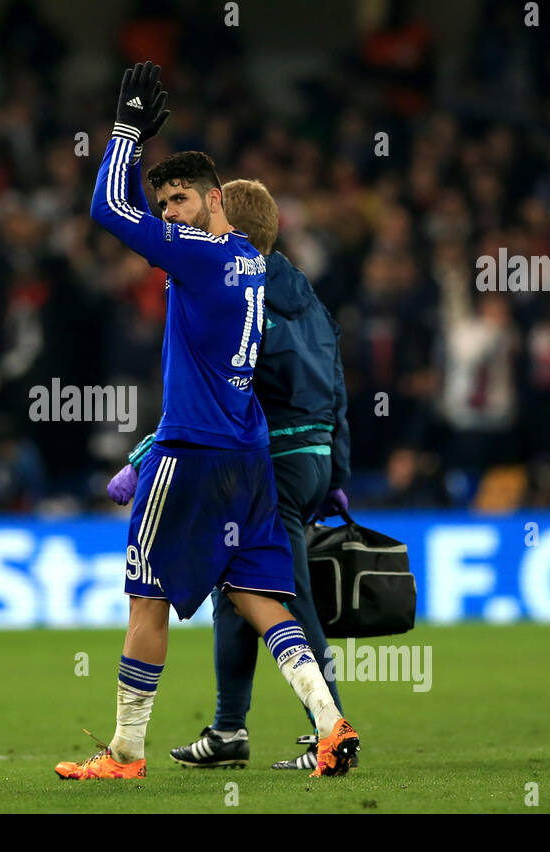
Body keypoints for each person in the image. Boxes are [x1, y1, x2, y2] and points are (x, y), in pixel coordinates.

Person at [54, 63, 358, 781]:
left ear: (216, 198)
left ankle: (127, 751)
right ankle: (328, 721)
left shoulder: (197, 256)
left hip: (191, 456)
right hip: (247, 456)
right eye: (163, 203)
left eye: (181, 199)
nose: (169, 214)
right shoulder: (250, 262)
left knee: (146, 595)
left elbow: (105, 210)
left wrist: (125, 132)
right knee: (258, 595)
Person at [111, 179, 354, 771]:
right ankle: (229, 730)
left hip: (262, 457)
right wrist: (336, 468)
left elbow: (230, 392)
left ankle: (327, 726)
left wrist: (144, 455)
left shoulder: (233, 286)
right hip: (314, 457)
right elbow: (336, 384)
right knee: (242, 596)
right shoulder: (308, 299)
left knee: (277, 594)